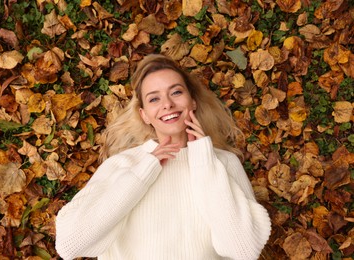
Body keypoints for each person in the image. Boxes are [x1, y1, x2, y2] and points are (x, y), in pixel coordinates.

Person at [55, 54, 271, 260]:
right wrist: (143, 172)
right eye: (154, 98)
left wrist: (204, 161)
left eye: (176, 92)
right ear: (144, 115)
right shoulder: (123, 165)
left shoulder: (222, 163)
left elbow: (243, 249)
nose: (167, 104)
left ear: (193, 101)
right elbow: (70, 244)